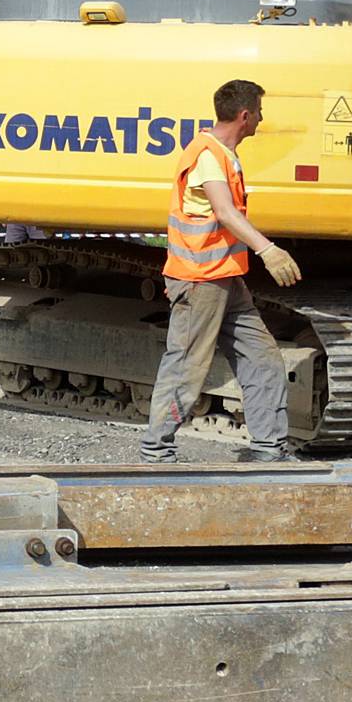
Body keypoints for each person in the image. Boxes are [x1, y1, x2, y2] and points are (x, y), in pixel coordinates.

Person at [141, 78, 302, 465]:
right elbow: (225, 211)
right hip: (199, 280)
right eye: (259, 113)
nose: (261, 121)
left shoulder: (223, 154)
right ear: (245, 115)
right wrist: (269, 250)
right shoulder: (207, 156)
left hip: (225, 278)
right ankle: (156, 452)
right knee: (186, 367)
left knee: (262, 358)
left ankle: (268, 449)